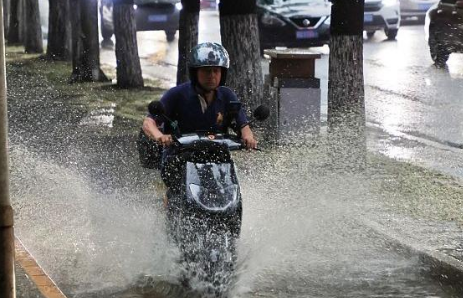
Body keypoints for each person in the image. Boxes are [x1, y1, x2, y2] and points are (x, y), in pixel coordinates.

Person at [142, 42, 257, 153]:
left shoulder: (227, 95)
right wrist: (160, 136)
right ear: (195, 73)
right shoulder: (177, 94)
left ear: (223, 74)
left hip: (218, 157)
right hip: (178, 156)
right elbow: (149, 122)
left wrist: (248, 136)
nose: (212, 76)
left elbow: (243, 124)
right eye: (207, 71)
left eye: (216, 71)